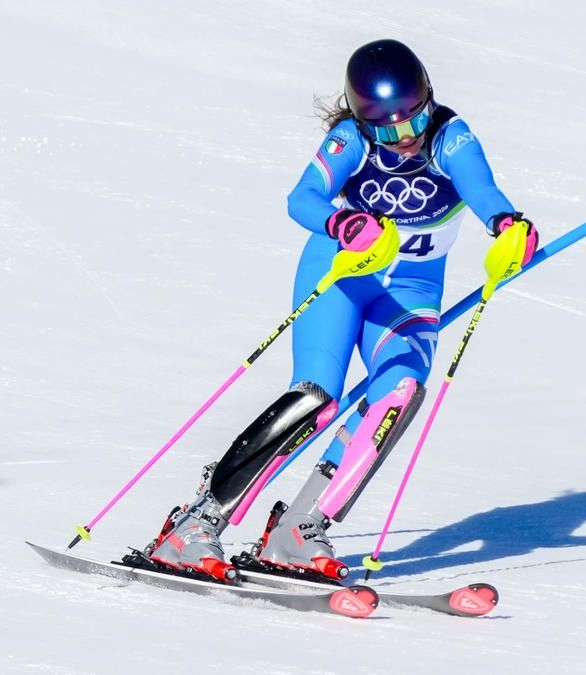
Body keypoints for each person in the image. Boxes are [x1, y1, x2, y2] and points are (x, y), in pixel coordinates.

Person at [143, 38, 539, 582]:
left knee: (397, 393)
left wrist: (509, 226)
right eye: (387, 132)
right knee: (317, 398)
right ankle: (195, 523)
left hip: (412, 291)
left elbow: (483, 190)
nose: (405, 139)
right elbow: (301, 198)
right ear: (362, 121)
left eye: (414, 122)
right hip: (341, 276)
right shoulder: (349, 139)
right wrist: (341, 221)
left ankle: (300, 527)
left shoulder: (452, 137)